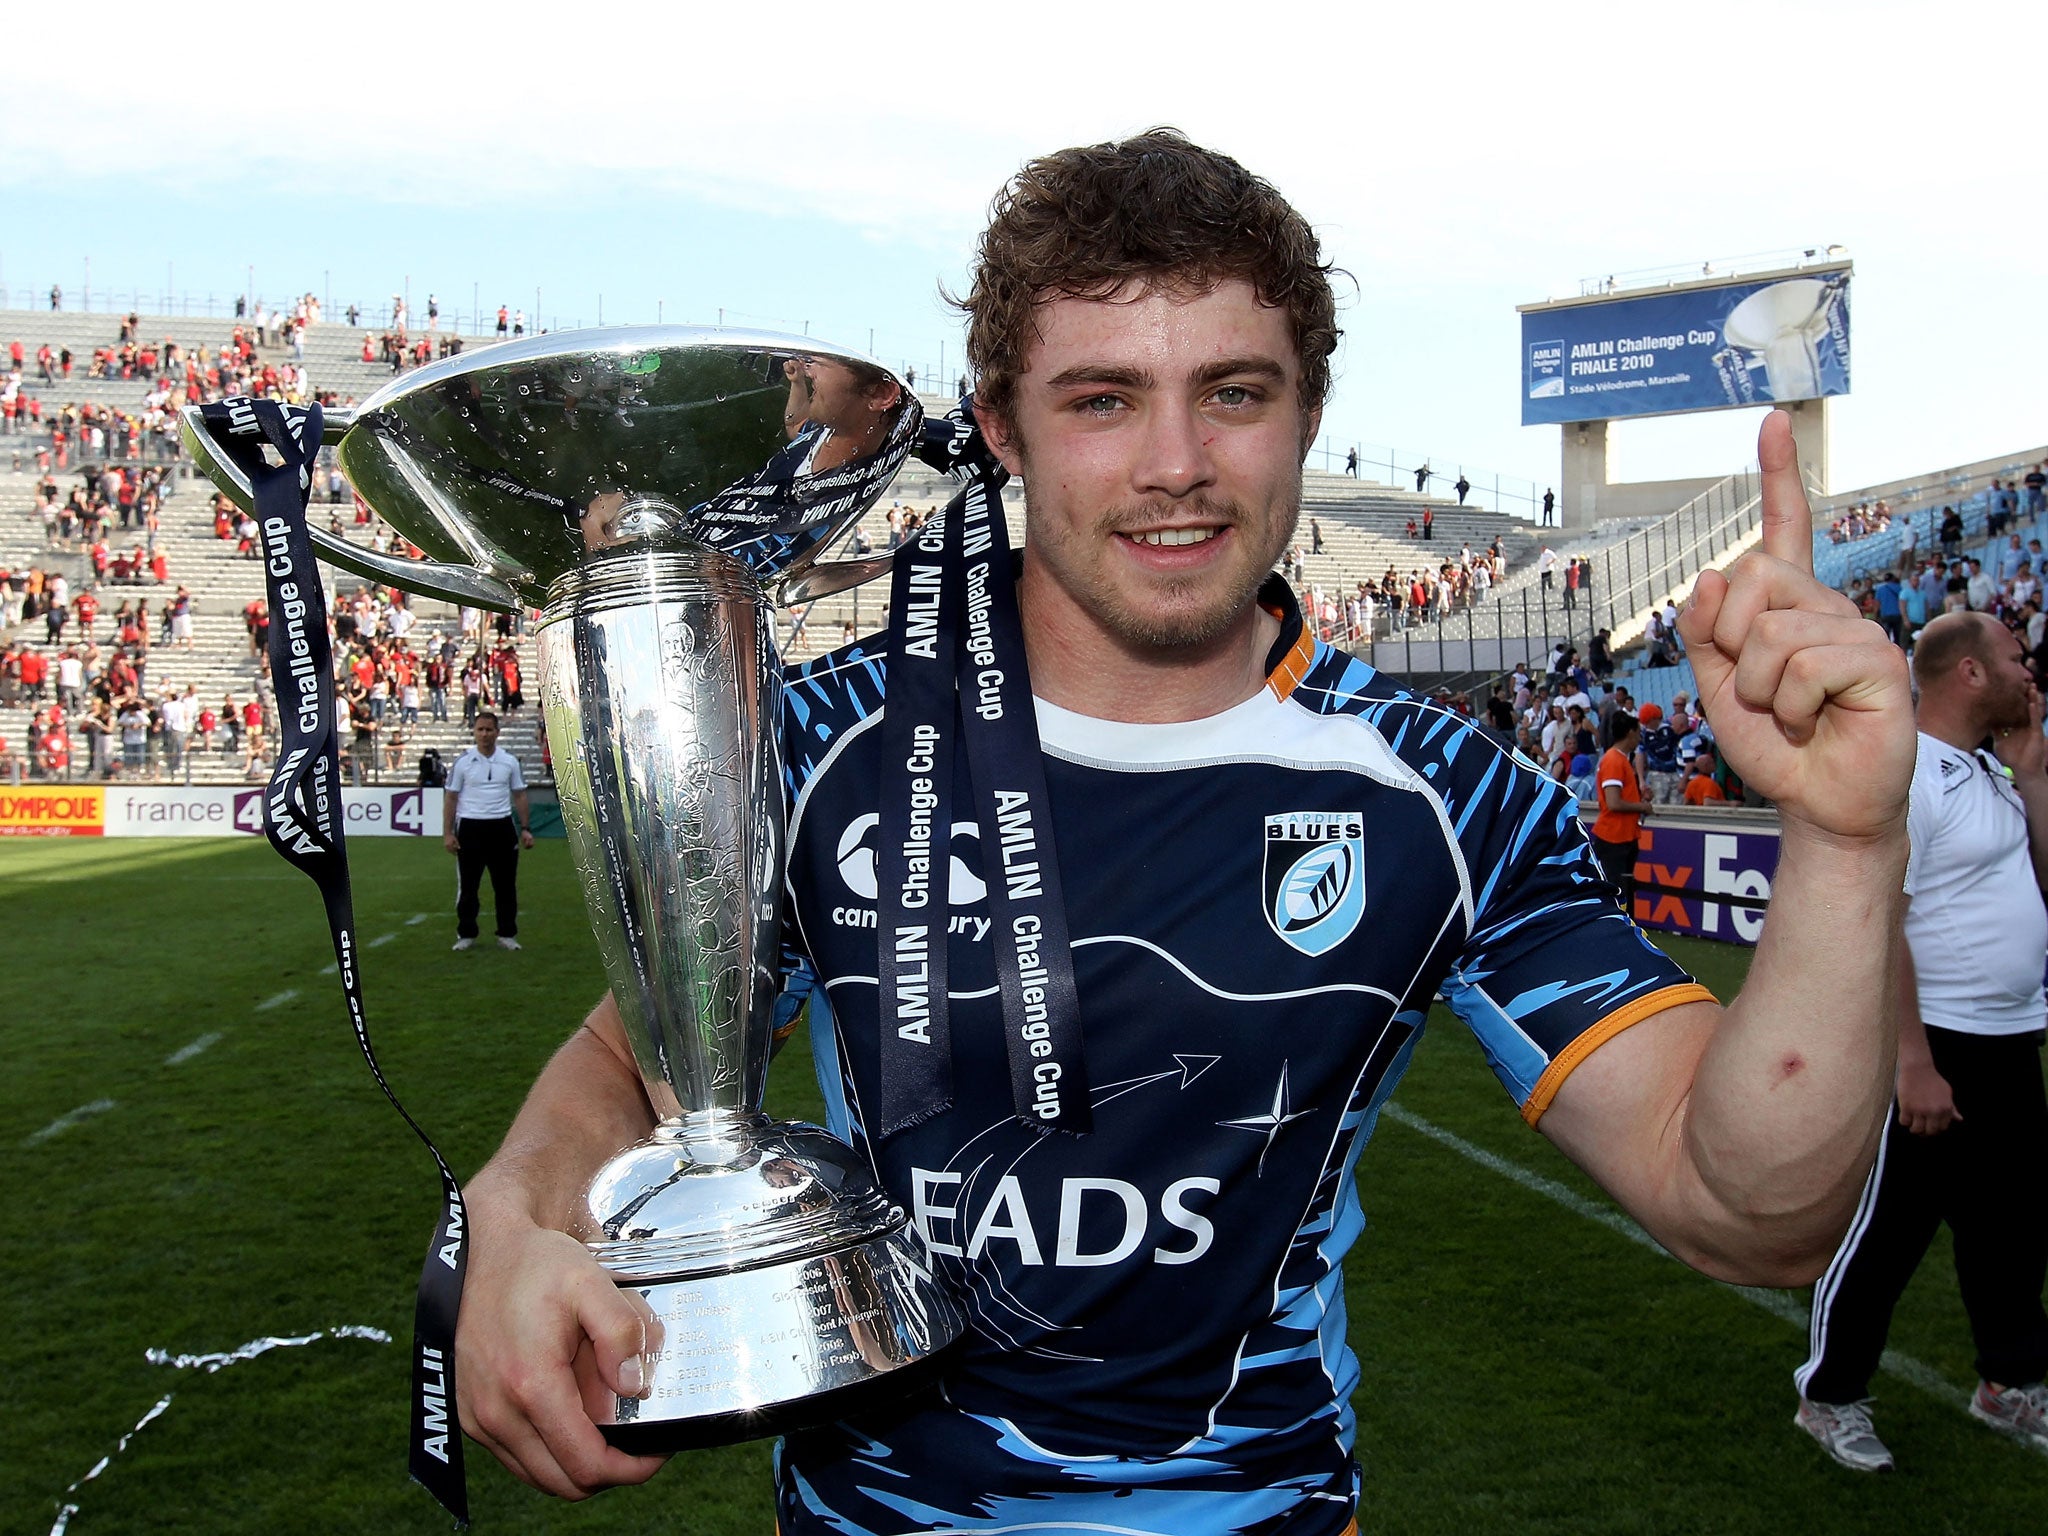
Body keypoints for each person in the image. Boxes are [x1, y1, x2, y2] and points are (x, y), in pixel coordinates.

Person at [452, 131, 1915, 1532]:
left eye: (1233, 392)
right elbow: (641, 1070)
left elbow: (1745, 1210)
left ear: (1307, 417)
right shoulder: (823, 744)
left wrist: (1846, 843)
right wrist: (514, 1218)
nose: (1174, 463)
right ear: (1002, 428)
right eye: (1101, 400)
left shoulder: (1441, 797)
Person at [1794, 611, 2048, 1469]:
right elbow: (1882, 921)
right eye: (2016, 657)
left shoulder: (1994, 772)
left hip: (2010, 1038)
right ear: (1970, 673)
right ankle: (1830, 1398)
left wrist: (2035, 773)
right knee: (1890, 1231)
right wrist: (1912, 1063)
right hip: (1936, 1045)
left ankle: (2009, 1380)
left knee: (2011, 1227)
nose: (2029, 668)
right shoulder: (1913, 775)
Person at [443, 711, 534, 951]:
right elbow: (451, 797)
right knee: (469, 886)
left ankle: (507, 934)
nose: (484, 734)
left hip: (501, 826)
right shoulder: (463, 761)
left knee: (505, 885)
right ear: (474, 731)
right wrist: (448, 833)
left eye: (489, 730)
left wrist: (525, 828)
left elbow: (520, 795)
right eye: (480, 729)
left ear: (497, 732)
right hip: (470, 827)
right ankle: (466, 934)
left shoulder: (509, 761)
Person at [1590, 711, 1652, 912]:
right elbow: (1614, 802)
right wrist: (1642, 807)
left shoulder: (1619, 760)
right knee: (1616, 891)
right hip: (1614, 837)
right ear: (1630, 732)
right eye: (1638, 732)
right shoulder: (1614, 760)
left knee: (1621, 889)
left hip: (1621, 835)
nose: (1640, 738)